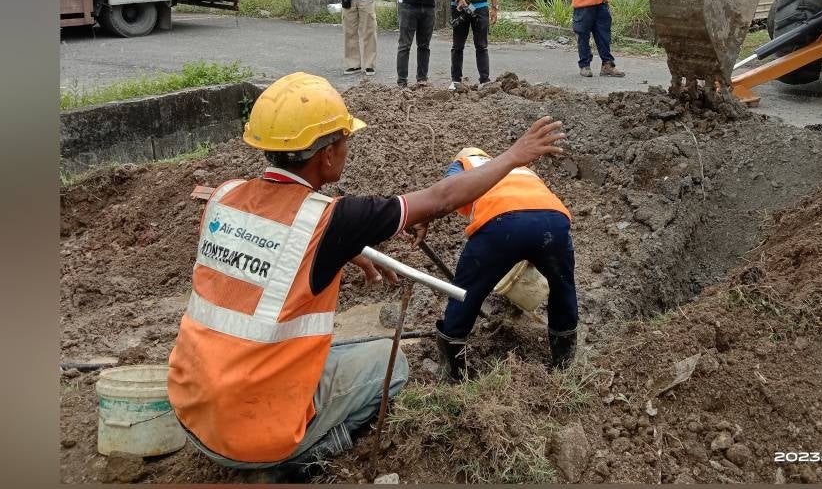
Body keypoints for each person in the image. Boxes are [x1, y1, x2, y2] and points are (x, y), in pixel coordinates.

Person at [167, 72, 566, 480]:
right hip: (254, 437)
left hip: (192, 408)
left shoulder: (224, 197)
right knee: (390, 366)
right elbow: (442, 198)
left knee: (319, 355)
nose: (347, 149)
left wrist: (346, 250)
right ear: (326, 154)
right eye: (345, 140)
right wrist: (515, 155)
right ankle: (295, 461)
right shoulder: (333, 219)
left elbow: (264, 252)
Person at [415, 146, 578, 381]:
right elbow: (531, 212)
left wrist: (424, 219)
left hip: (500, 223)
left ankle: (453, 374)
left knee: (465, 293)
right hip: (554, 220)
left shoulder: (463, 163)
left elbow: (447, 195)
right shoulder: (518, 167)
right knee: (563, 287)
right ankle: (565, 367)